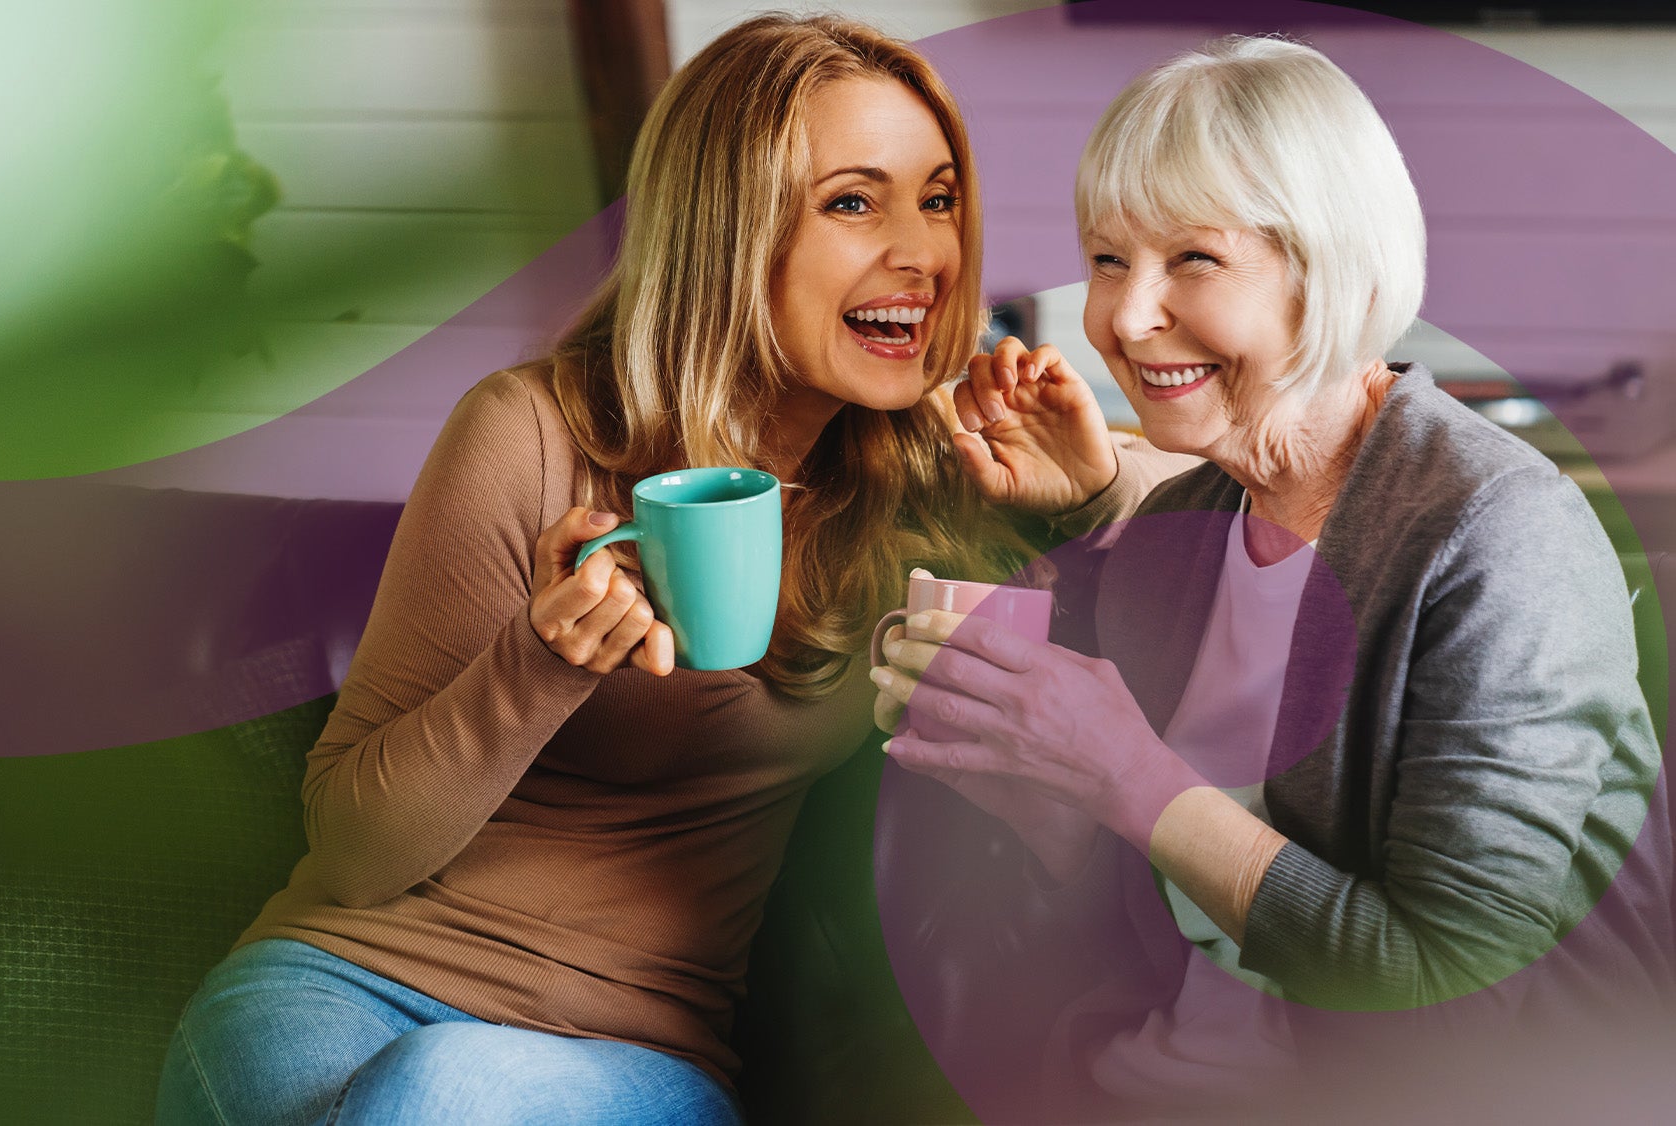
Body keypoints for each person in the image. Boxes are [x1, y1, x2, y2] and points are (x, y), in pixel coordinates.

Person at [150, 14, 1140, 1125]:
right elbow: (352, 853)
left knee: (444, 1094)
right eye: (853, 202)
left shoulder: (925, 479)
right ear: (727, 230)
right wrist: (538, 664)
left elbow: (1201, 592)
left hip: (631, 1052)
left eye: (939, 196)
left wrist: (1092, 500)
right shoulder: (531, 432)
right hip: (338, 984)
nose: (921, 251)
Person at [871, 33, 1668, 1119]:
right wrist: (1034, 789)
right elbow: (1145, 902)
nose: (1126, 315)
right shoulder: (1185, 522)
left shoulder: (1495, 534)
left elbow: (1447, 984)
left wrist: (1122, 773)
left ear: (1328, 267)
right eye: (1107, 259)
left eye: (1191, 259)